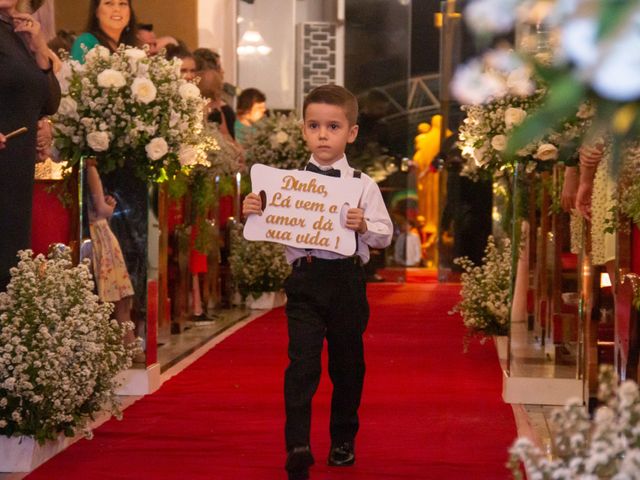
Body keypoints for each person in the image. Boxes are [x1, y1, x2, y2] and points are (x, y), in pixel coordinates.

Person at [243, 84, 393, 480]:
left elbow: (384, 234)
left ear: (351, 132)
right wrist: (252, 208)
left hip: (346, 280)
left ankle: (343, 440)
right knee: (301, 364)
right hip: (305, 280)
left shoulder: (363, 183)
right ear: (303, 130)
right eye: (314, 126)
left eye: (333, 126)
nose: (323, 134)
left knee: (347, 366)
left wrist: (364, 225)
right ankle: (298, 446)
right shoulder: (287, 183)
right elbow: (263, 223)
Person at [0, 0, 61, 290]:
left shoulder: (19, 32)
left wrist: (39, 48)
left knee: (10, 266)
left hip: (17, 167)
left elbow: (49, 102)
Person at [85, 158, 136, 346]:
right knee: (118, 295)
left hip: (90, 232)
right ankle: (128, 344)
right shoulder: (90, 169)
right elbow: (101, 210)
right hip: (99, 233)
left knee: (111, 293)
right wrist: (111, 206)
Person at [70, 0, 138, 62]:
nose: (117, 9)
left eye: (122, 3)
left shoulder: (131, 48)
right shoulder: (85, 42)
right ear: (96, 11)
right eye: (108, 3)